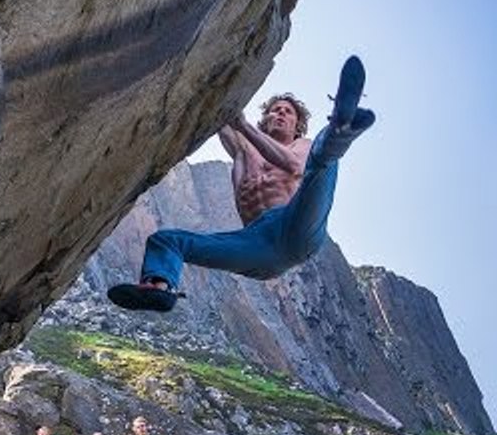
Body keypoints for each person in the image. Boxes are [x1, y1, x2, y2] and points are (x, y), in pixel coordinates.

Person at [107, 56, 376, 312]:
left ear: (297, 126)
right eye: (274, 111)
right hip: (256, 244)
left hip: (296, 225)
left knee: (321, 162)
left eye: (287, 112)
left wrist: (245, 126)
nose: (280, 114)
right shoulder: (243, 152)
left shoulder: (301, 145)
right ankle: (159, 289)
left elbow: (294, 167)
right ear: (265, 119)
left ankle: (341, 128)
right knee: (165, 240)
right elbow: (215, 115)